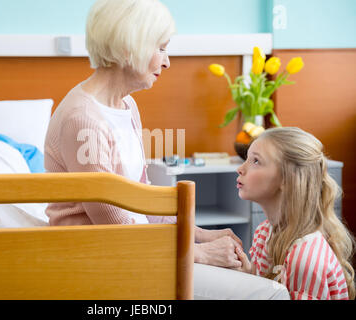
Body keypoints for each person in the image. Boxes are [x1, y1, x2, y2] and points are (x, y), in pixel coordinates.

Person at [44, 0, 291, 300]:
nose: (167, 61)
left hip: (136, 250)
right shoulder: (82, 119)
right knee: (271, 293)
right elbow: (118, 231)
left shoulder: (125, 106)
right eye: (160, 48)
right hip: (104, 261)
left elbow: (142, 203)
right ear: (128, 47)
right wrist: (199, 253)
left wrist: (200, 234)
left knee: (244, 274)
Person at [235, 127, 355, 300]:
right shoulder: (264, 232)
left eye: (255, 161)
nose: (240, 168)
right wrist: (245, 273)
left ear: (287, 178)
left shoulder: (305, 260)